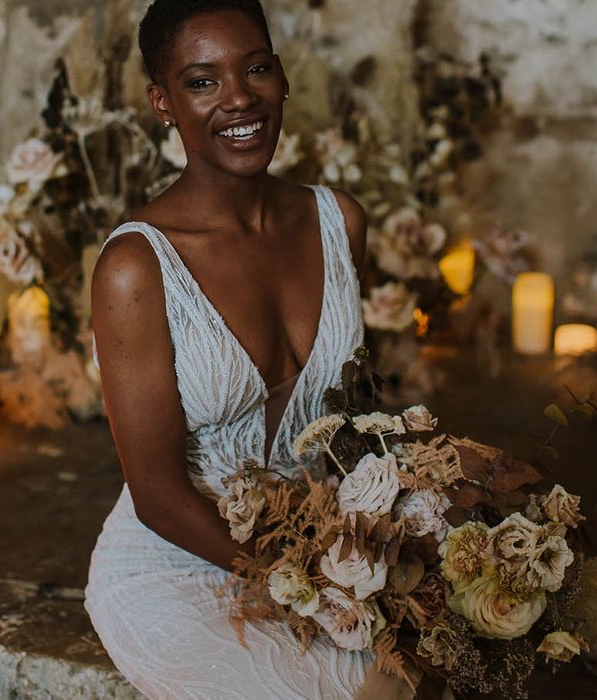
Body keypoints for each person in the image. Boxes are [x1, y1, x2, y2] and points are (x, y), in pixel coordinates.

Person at [84, 0, 380, 697]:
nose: (240, 98)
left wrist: (396, 533)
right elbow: (157, 494)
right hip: (178, 563)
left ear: (281, 79)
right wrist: (307, 587)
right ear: (163, 102)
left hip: (324, 552)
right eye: (202, 81)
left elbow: (354, 420)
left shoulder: (339, 221)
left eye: (255, 69)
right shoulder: (136, 266)